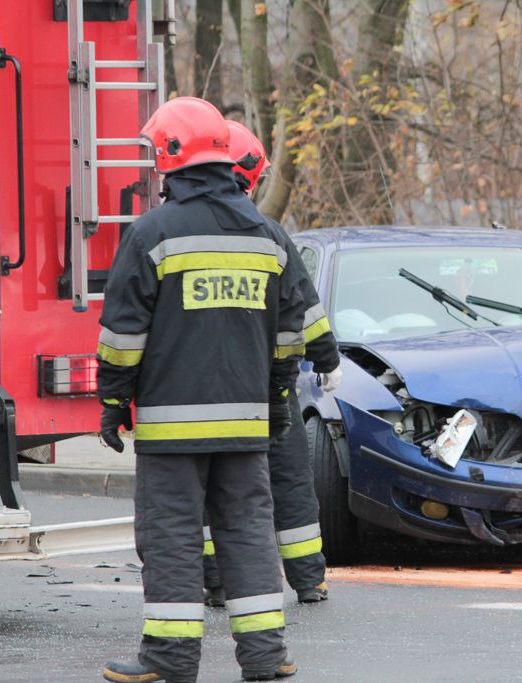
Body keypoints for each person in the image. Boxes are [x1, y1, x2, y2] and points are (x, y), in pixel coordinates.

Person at [97, 97, 306, 682]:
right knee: (247, 535)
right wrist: (278, 400)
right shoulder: (268, 236)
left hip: (171, 428)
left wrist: (114, 400)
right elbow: (291, 333)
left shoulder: (152, 233)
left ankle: (168, 660)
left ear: (169, 155)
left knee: (172, 538)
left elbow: (122, 335)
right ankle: (266, 658)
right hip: (246, 427)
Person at [202, 120, 342, 608]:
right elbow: (304, 312)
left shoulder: (173, 232)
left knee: (208, 489)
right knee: (289, 483)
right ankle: (308, 579)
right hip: (269, 389)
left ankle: (216, 580)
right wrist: (327, 361)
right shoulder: (270, 234)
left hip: (198, 391)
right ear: (250, 176)